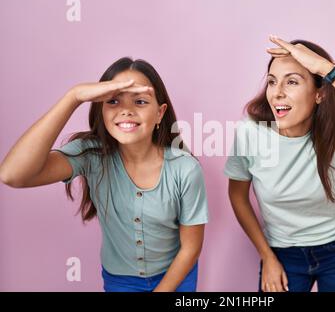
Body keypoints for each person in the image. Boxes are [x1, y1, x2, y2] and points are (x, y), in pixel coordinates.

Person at [0, 57, 209, 292]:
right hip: (120, 281)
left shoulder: (185, 168)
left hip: (177, 276)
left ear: (160, 113)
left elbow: (191, 248)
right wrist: (74, 96)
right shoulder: (90, 156)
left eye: (140, 101)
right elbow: (13, 174)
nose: (126, 111)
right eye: (113, 101)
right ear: (101, 108)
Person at [224, 35, 335, 292]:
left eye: (292, 82)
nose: (277, 93)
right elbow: (237, 196)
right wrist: (267, 256)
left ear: (319, 94)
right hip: (283, 253)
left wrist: (328, 70)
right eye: (272, 82)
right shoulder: (251, 132)